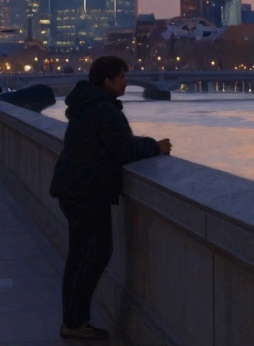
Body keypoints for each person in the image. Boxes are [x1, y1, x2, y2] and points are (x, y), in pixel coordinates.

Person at [49, 56, 171, 342]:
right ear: (107, 80)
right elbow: (126, 150)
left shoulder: (87, 105)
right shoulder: (104, 109)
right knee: (97, 253)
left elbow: (114, 142)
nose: (126, 81)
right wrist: (156, 145)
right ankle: (76, 321)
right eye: (121, 76)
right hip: (88, 192)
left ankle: (72, 320)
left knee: (78, 256)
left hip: (72, 188)